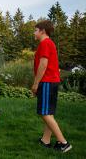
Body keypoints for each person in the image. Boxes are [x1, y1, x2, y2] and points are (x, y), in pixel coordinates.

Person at [31, 20, 72, 152]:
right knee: (48, 112)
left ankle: (63, 142)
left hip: (47, 81)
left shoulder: (45, 43)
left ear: (42, 31)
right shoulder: (48, 43)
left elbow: (43, 65)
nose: (34, 33)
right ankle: (45, 140)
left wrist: (36, 83)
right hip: (52, 81)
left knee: (44, 113)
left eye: (35, 30)